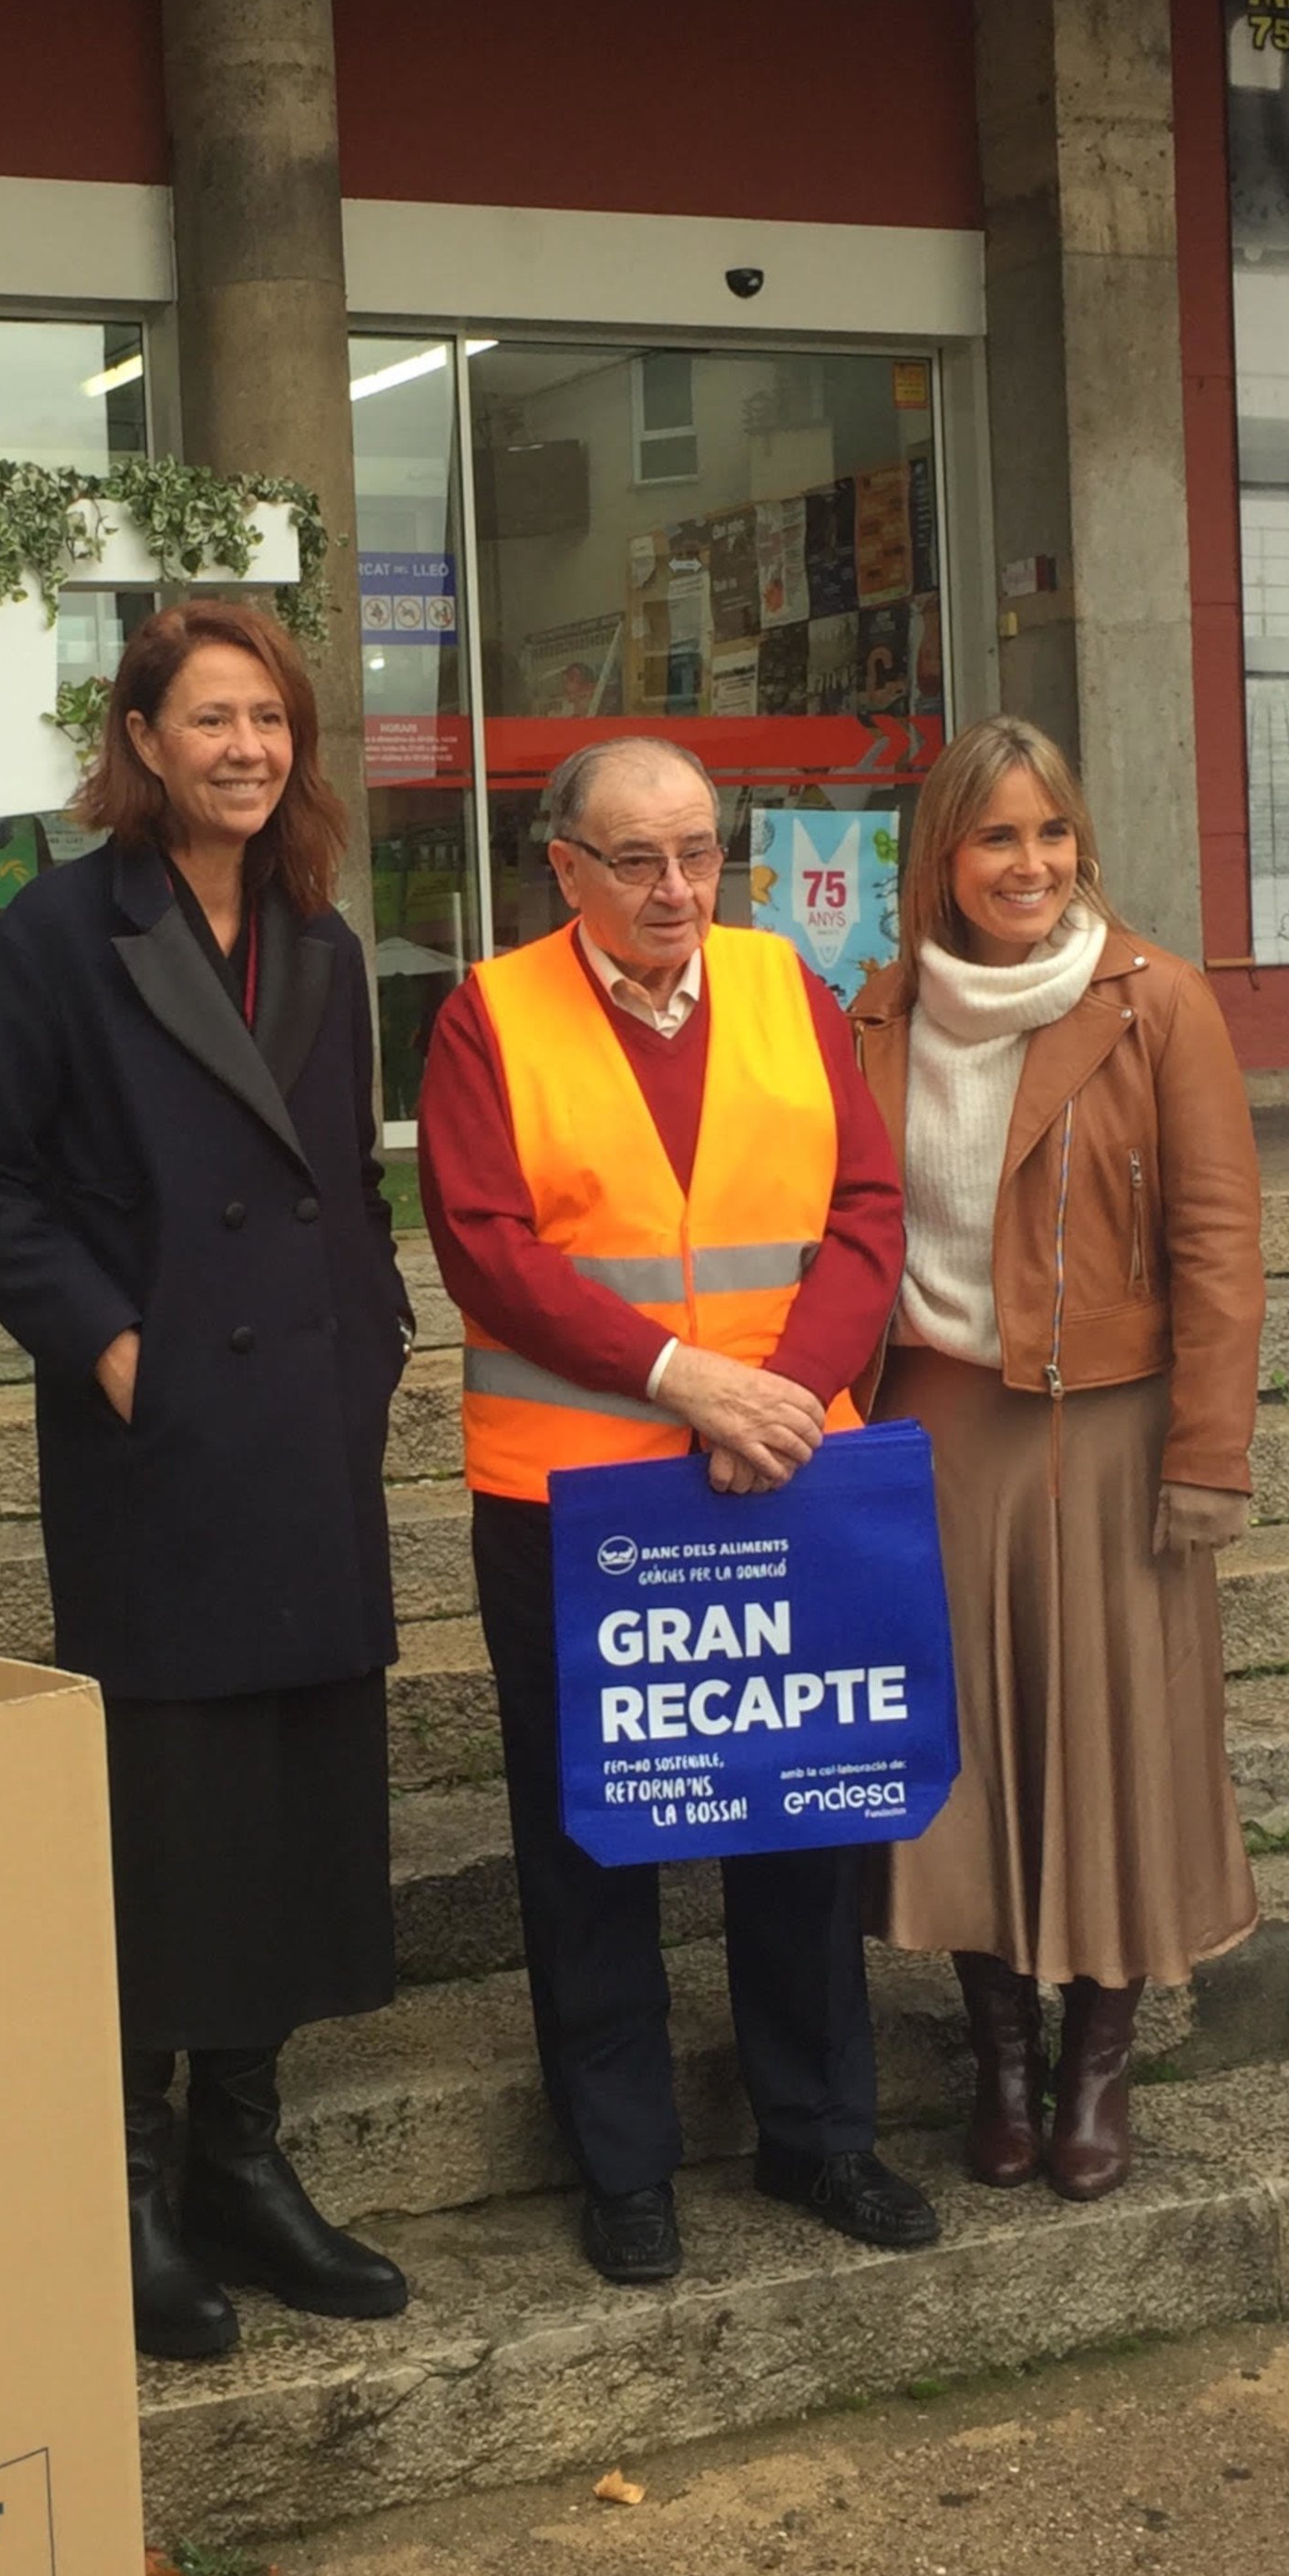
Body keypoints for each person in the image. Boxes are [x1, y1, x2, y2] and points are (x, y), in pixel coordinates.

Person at [0, 599, 413, 2365]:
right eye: (206, 719)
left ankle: (244, 2157)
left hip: (303, 1427)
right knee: (170, 1816)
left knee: (292, 1804)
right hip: (159, 1441)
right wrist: (114, 1347)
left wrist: (372, 1335)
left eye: (268, 720)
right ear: (139, 740)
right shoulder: (59, 934)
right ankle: (128, 2183)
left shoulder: (322, 936)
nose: (243, 749)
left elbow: (345, 1177)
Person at [417, 732, 938, 2284]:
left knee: (805, 1809)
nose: (674, 888)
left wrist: (784, 1396)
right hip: (574, 1490)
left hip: (787, 1465)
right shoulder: (487, 1014)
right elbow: (487, 1247)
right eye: (634, 860)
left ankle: (819, 2135)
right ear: (563, 868)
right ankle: (624, 2162)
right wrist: (689, 1385)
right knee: (590, 1834)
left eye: (699, 853)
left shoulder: (787, 987)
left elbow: (863, 1209)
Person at [844, 716, 1263, 2202]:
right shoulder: (879, 1016)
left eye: (1051, 834)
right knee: (960, 1759)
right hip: (931, 1428)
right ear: (941, 861)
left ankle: (1098, 2059)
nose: (1029, 864)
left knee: (1108, 1746)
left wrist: (1210, 1450)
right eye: (995, 837)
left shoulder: (1157, 1003)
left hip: (1110, 1425)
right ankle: (1000, 2060)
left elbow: (1219, 1241)